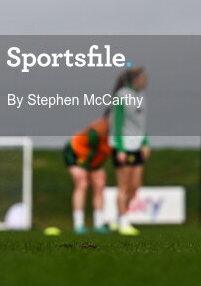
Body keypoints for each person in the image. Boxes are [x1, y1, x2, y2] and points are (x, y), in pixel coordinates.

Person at [109, 66, 149, 236]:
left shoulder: (141, 97)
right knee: (123, 186)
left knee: (136, 185)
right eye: (143, 77)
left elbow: (141, 124)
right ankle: (124, 222)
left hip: (137, 145)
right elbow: (116, 123)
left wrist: (145, 142)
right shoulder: (121, 96)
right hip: (123, 146)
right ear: (135, 79)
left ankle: (118, 218)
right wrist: (119, 148)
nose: (146, 80)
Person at [64, 115, 112, 234]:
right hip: (76, 154)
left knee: (99, 185)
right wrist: (85, 168)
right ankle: (78, 224)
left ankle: (99, 224)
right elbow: (91, 150)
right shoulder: (99, 128)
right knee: (82, 183)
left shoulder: (123, 130)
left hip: (94, 159)